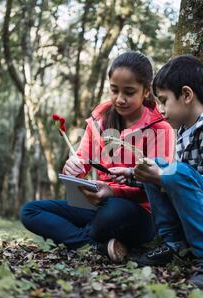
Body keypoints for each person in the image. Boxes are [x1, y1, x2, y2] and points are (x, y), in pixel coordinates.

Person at [111, 55, 203, 294]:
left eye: (163, 100)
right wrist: (135, 174)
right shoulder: (185, 133)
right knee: (159, 165)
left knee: (173, 170)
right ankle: (175, 244)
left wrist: (163, 174)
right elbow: (180, 184)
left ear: (186, 95)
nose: (160, 109)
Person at [20, 51, 175, 263]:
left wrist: (113, 191)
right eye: (114, 90)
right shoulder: (99, 119)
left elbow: (158, 186)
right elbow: (83, 159)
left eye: (129, 92)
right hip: (98, 204)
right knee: (31, 211)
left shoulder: (161, 130)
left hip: (139, 214)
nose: (120, 99)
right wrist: (73, 167)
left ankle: (81, 238)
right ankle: (96, 246)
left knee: (112, 212)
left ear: (146, 91)